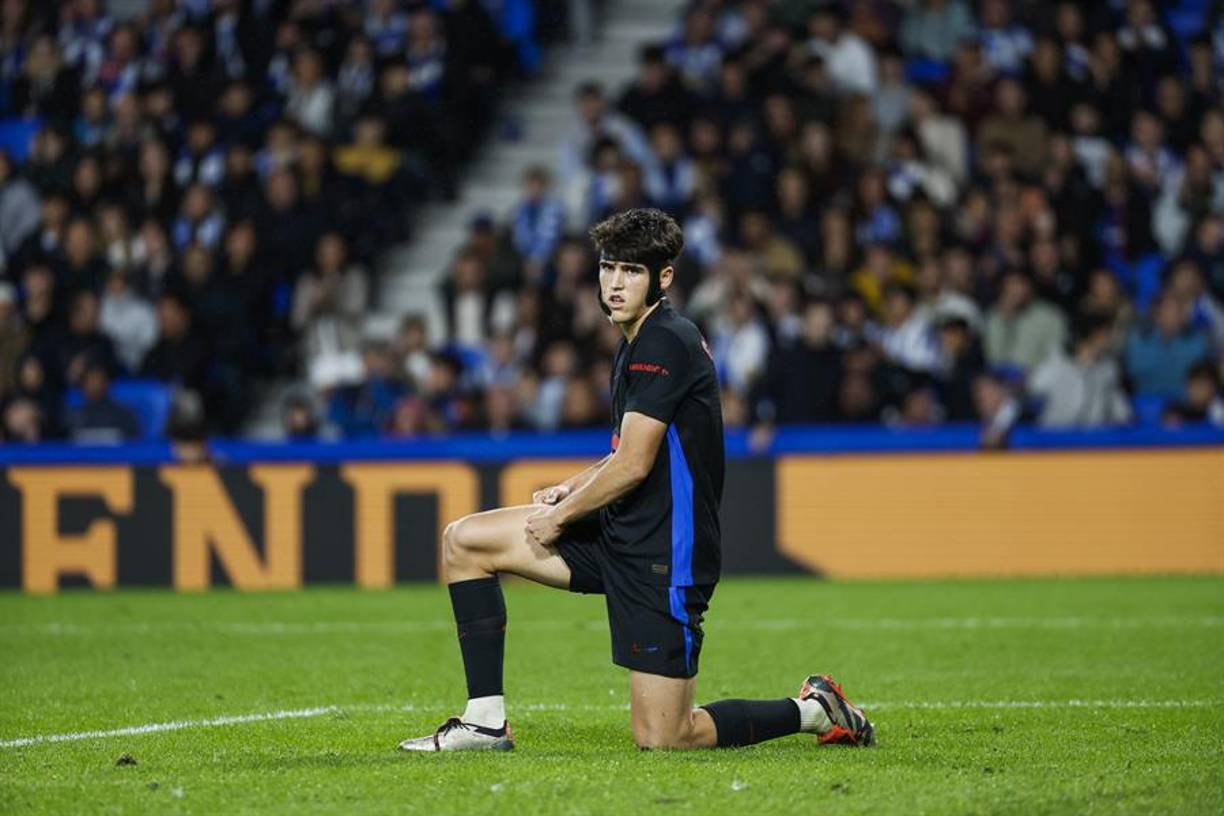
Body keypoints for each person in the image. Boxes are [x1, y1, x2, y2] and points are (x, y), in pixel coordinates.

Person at [397, 208, 874, 753]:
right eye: (607, 269)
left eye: (630, 271)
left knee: (666, 736)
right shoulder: (637, 339)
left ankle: (814, 710)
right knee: (464, 541)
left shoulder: (665, 341)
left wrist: (558, 517)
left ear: (662, 278)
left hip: (665, 556)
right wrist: (571, 488)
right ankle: (484, 722)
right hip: (620, 533)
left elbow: (634, 465)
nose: (615, 283)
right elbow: (625, 451)